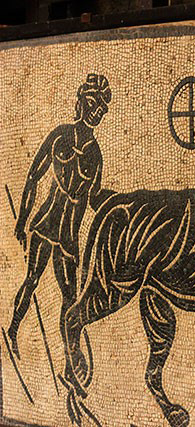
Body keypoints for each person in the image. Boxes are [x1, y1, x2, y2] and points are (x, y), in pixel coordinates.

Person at [8, 74, 114, 359]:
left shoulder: (95, 155)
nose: (96, 111)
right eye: (92, 103)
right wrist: (22, 221)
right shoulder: (60, 136)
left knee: (70, 298)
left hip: (68, 239)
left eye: (101, 108)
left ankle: (70, 354)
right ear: (80, 102)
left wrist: (119, 207)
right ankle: (13, 330)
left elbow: (94, 199)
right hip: (45, 226)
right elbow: (34, 176)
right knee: (31, 280)